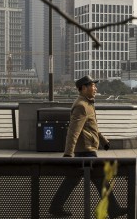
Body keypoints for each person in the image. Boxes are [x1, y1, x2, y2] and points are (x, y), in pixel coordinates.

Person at [49, 75, 126, 218]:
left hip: (86, 148)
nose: (95, 88)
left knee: (72, 180)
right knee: (101, 179)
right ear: (83, 88)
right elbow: (74, 130)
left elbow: (92, 127)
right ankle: (113, 209)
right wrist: (68, 153)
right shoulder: (81, 106)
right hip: (86, 150)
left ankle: (55, 206)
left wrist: (104, 141)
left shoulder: (87, 103)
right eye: (93, 85)